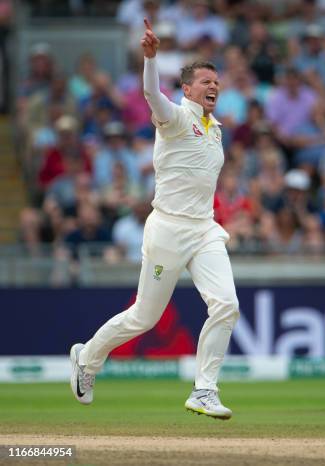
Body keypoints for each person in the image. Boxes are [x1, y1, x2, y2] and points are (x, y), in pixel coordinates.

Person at [69, 19, 240, 420]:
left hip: (204, 229)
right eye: (204, 82)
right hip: (167, 228)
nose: (213, 87)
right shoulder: (176, 118)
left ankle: (204, 390)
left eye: (216, 81)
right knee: (144, 317)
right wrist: (151, 58)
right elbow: (151, 92)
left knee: (227, 305)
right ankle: (87, 359)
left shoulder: (215, 129)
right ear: (187, 90)